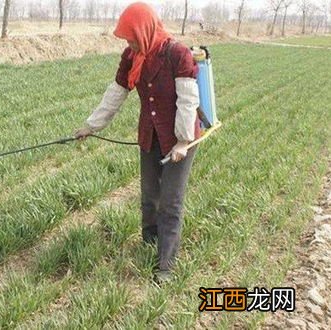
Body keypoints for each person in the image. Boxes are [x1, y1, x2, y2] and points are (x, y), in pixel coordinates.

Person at [74, 2, 202, 284]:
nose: (129, 42)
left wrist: (182, 141)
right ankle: (149, 244)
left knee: (170, 202)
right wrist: (90, 126)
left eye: (132, 36)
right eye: (127, 38)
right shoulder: (132, 56)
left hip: (180, 137)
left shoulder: (177, 54)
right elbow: (116, 92)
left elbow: (188, 100)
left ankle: (166, 265)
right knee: (148, 197)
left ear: (144, 30)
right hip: (150, 135)